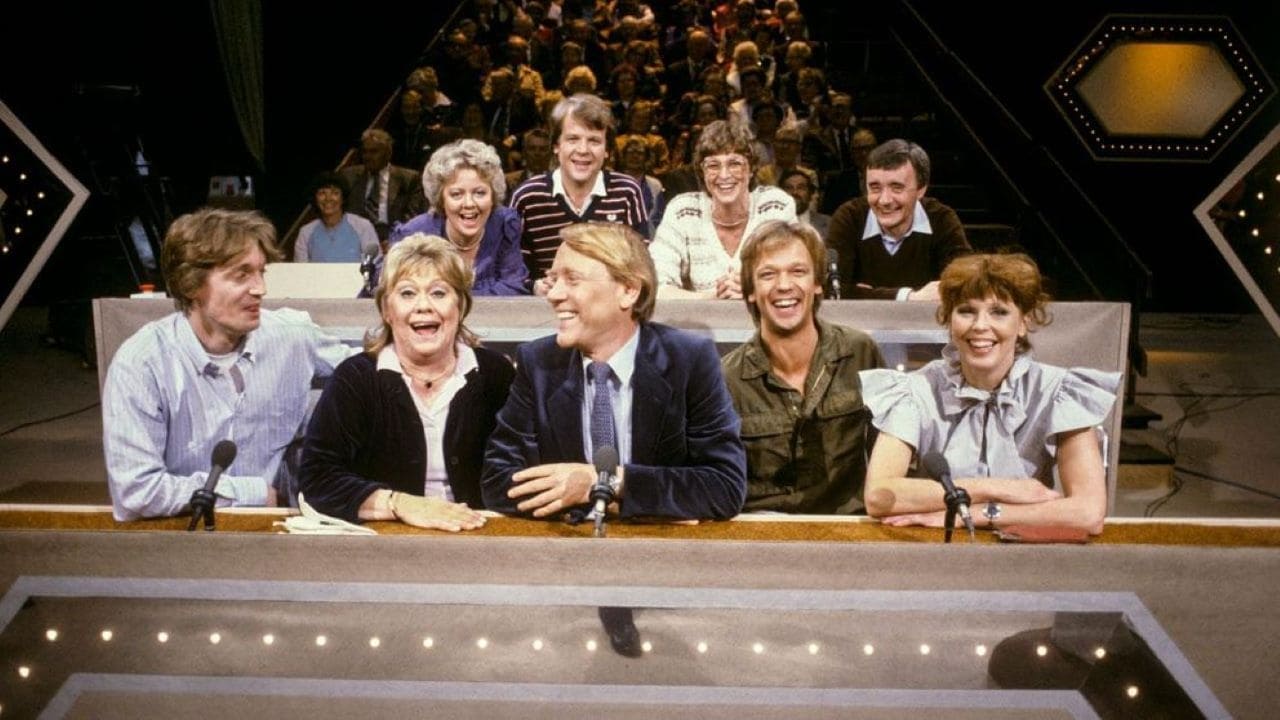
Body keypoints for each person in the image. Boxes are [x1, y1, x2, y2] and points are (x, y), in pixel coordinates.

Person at [481, 222, 747, 521]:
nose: (553, 294)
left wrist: (607, 484)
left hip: (661, 548)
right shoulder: (538, 363)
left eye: (572, 279)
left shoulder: (689, 360)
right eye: (553, 279)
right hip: (569, 544)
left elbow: (724, 486)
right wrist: (594, 504)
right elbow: (498, 481)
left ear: (629, 290)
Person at [102, 208, 352, 521]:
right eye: (241, 275)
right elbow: (135, 492)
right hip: (184, 534)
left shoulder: (293, 336)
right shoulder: (142, 364)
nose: (260, 289)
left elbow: (369, 370)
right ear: (191, 284)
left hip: (283, 531)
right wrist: (251, 492)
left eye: (261, 272)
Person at [859, 253, 1120, 535]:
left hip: (1026, 551)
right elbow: (879, 497)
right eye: (966, 311)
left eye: (999, 312)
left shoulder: (1060, 391)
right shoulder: (914, 390)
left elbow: (1088, 513)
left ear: (1023, 322)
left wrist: (973, 514)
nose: (980, 325)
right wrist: (1000, 489)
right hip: (936, 545)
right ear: (949, 321)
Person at [299, 235, 514, 529]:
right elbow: (317, 479)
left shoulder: (496, 375)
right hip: (385, 542)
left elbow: (523, 467)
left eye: (439, 293)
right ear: (387, 310)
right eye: (408, 293)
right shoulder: (355, 378)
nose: (423, 306)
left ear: (461, 306)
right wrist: (399, 504)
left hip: (480, 535)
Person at [723, 220, 883, 513]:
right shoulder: (726, 379)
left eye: (798, 271)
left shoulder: (860, 352)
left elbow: (891, 461)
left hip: (850, 528)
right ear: (750, 291)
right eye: (768, 274)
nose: (784, 285)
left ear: (817, 283)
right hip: (762, 529)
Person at [507, 93, 649, 291]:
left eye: (594, 141)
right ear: (556, 146)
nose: (583, 150)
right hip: (544, 305)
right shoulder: (527, 196)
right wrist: (534, 287)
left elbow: (642, 269)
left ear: (607, 150)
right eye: (573, 139)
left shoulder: (627, 191)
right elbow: (510, 272)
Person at [650, 118, 796, 298]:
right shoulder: (683, 211)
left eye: (734, 164)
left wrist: (753, 290)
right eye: (713, 165)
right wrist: (713, 298)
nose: (724, 175)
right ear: (702, 172)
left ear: (751, 169)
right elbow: (656, 286)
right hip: (702, 316)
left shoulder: (774, 205)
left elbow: (794, 277)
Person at [826, 139, 971, 300]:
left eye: (897, 187)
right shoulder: (850, 218)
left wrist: (864, 294)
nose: (884, 200)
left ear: (921, 189)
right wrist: (910, 296)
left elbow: (965, 286)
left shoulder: (941, 219)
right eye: (875, 188)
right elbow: (830, 290)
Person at [388, 139, 529, 295]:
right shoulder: (414, 234)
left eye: (479, 193)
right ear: (441, 200)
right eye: (456, 194)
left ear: (493, 197)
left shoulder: (504, 226)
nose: (469, 203)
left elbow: (513, 287)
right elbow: (395, 291)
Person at [340, 129, 427, 247]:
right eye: (365, 152)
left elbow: (412, 218)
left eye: (374, 152)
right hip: (355, 239)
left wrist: (395, 240)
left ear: (388, 153)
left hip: (393, 238)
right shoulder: (348, 176)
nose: (367, 157)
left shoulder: (409, 179)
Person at [293, 172, 380, 263]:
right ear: (315, 199)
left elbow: (375, 264)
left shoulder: (363, 227)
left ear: (343, 198)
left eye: (335, 193)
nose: (328, 198)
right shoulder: (305, 233)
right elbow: (300, 270)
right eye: (322, 193)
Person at [779, 167, 829, 238]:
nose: (795, 192)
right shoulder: (771, 224)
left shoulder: (829, 223)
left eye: (801, 187)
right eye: (789, 188)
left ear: (810, 194)